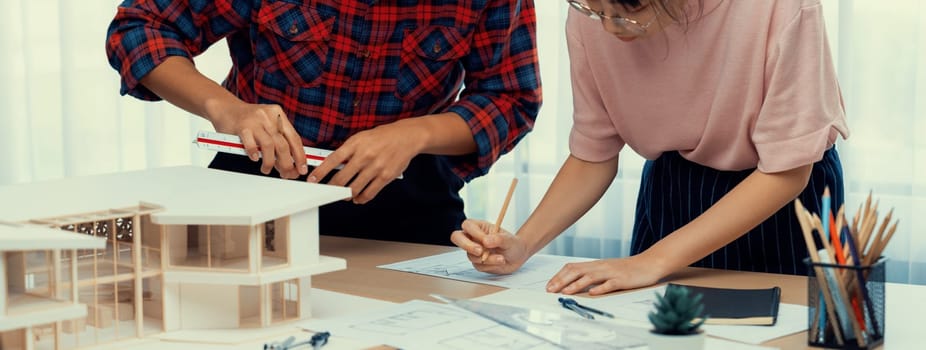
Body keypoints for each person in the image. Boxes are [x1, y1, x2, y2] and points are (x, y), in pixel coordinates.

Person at [452, 0, 848, 295]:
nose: (609, 27)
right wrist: (523, 245)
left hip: (780, 200)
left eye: (631, 9)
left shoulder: (778, 8)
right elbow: (594, 153)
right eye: (594, 10)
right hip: (673, 190)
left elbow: (787, 170)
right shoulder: (592, 13)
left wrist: (653, 261)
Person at [105, 0, 542, 245]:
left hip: (407, 199)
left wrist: (416, 133)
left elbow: (511, 98)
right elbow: (140, 29)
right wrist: (229, 109)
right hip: (255, 186)